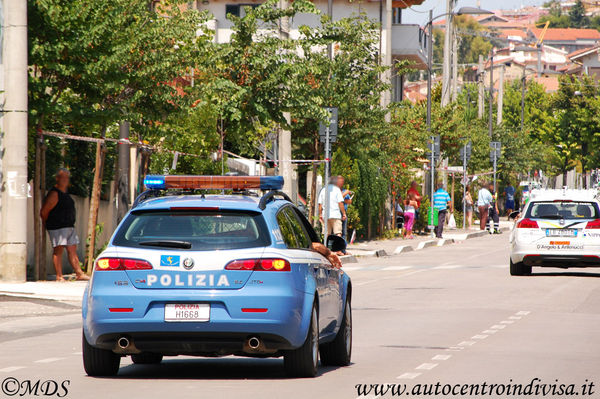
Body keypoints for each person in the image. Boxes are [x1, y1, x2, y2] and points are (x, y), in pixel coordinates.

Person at [40, 168, 89, 281]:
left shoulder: (65, 193)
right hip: (58, 227)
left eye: (67, 177)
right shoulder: (54, 194)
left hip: (69, 226)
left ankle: (79, 273)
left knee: (72, 250)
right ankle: (59, 276)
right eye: (63, 177)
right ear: (57, 179)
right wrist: (48, 223)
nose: (65, 180)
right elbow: (44, 212)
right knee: (58, 250)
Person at [336, 175, 353, 241]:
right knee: (337, 232)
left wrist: (342, 199)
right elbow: (337, 199)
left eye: (342, 182)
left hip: (343, 213)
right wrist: (344, 194)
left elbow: (349, 201)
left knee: (344, 232)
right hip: (336, 213)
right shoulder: (335, 191)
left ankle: (343, 248)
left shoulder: (344, 190)